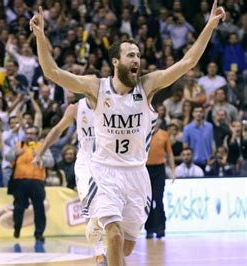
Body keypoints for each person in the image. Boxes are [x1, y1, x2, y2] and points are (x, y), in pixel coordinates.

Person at [30, 1, 225, 264]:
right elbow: (52, 72)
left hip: (136, 174)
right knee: (113, 236)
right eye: (130, 55)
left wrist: (210, 25)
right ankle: (101, 232)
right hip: (104, 172)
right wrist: (41, 37)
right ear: (116, 61)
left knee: (126, 248)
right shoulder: (96, 87)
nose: (137, 59)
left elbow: (188, 62)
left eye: (138, 55)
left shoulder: (147, 85)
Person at [32, 98, 107, 264]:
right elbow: (57, 130)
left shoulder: (112, 103)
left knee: (111, 211)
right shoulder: (76, 108)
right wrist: (40, 153)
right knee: (89, 205)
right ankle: (99, 253)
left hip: (110, 162)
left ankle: (113, 247)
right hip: (86, 162)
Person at [5, 126, 54, 243]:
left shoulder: (42, 147)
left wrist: (40, 156)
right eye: (28, 133)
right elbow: (7, 157)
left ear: (37, 135)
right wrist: (15, 154)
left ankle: (39, 233)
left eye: (32, 133)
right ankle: (17, 227)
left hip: (37, 181)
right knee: (18, 207)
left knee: (39, 208)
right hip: (20, 181)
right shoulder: (19, 145)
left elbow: (51, 162)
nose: (30, 136)